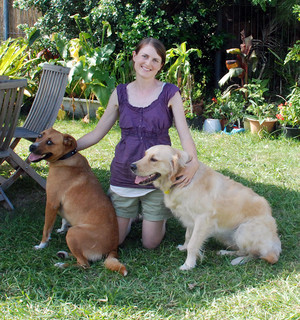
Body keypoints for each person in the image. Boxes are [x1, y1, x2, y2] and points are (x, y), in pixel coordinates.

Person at [76, 37, 199, 249]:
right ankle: (132, 214)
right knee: (116, 240)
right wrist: (67, 149)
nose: (148, 63)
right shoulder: (120, 93)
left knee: (150, 243)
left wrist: (193, 162)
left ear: (160, 66)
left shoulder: (170, 93)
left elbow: (184, 134)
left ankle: (155, 217)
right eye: (144, 56)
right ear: (134, 57)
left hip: (157, 178)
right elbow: (97, 133)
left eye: (155, 60)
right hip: (125, 174)